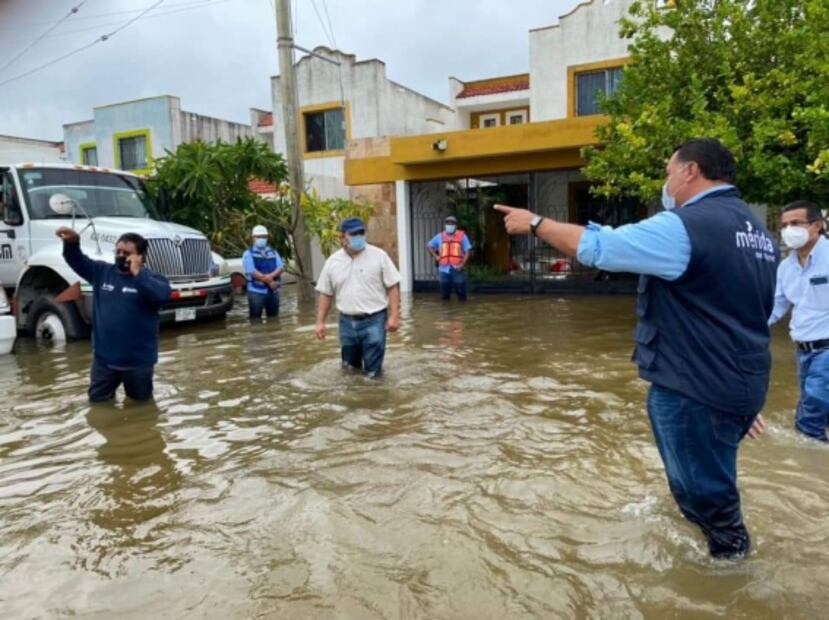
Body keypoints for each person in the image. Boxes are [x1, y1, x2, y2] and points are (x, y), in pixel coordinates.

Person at [495, 138, 777, 559]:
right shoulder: (757, 234)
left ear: (690, 171)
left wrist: (535, 223)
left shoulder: (686, 225)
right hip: (736, 382)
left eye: (668, 172)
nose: (667, 182)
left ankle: (730, 581)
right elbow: (751, 313)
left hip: (695, 389)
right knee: (712, 480)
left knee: (708, 501)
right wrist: (739, 395)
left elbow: (599, 249)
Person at [56, 227, 172, 402]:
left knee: (141, 409)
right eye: (117, 251)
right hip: (104, 361)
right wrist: (72, 243)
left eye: (127, 253)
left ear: (141, 257)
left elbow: (162, 296)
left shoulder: (153, 279)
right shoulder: (101, 272)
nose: (120, 255)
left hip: (138, 363)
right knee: (98, 406)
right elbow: (76, 260)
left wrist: (137, 273)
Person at [768, 200, 829, 442]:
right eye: (784, 225)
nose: (788, 230)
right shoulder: (786, 267)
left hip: (827, 351)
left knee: (808, 422)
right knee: (822, 415)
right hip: (804, 352)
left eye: (795, 223)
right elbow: (775, 307)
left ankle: (807, 469)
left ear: (816, 226)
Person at [314, 217, 401, 378]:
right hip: (346, 323)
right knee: (349, 371)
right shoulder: (333, 262)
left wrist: (394, 316)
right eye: (353, 234)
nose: (358, 237)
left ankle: (373, 399)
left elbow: (392, 286)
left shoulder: (379, 256)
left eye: (361, 233)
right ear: (342, 237)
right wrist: (320, 322)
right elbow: (326, 293)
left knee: (373, 374)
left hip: (374, 321)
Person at [242, 225, 284, 321]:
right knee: (255, 320)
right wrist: (270, 281)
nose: (262, 239)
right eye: (259, 237)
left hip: (273, 292)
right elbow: (252, 271)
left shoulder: (273, 252)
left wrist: (270, 276)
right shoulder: (248, 253)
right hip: (256, 292)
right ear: (253, 238)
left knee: (274, 319)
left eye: (264, 237)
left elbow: (280, 268)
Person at [426, 215, 472, 301]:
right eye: (448, 223)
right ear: (445, 225)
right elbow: (429, 245)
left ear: (456, 225)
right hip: (444, 270)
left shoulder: (462, 236)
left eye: (452, 223)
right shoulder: (440, 236)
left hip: (457, 268)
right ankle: (446, 313)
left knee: (461, 294)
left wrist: (462, 264)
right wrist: (435, 256)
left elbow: (467, 251)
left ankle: (461, 312)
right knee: (444, 295)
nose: (449, 225)